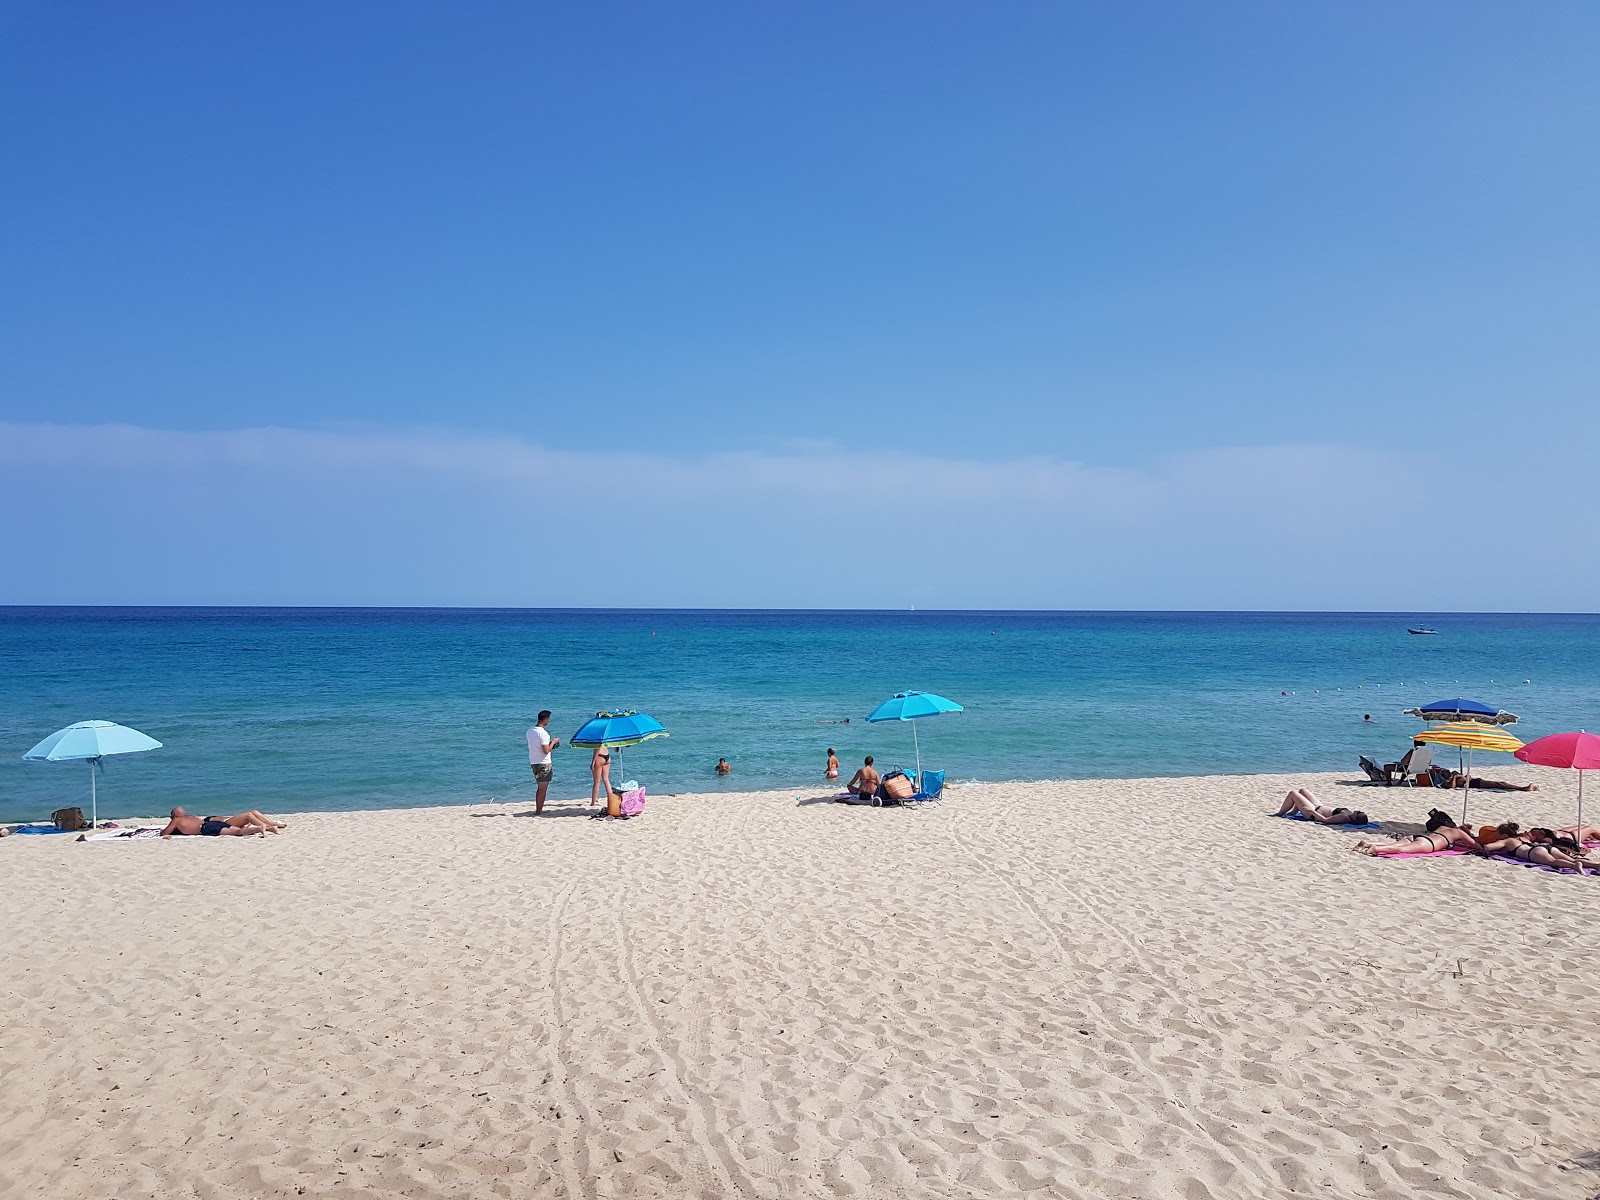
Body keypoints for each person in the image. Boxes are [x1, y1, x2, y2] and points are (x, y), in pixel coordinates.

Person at [1353, 811, 1478, 855]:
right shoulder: (1459, 834)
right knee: (1401, 850)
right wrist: (1468, 833)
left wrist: (1464, 829)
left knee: (1397, 844)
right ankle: (1375, 848)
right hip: (1428, 844)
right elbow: (1476, 845)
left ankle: (1368, 843)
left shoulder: (1442, 827)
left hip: (1420, 837)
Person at [1274, 788, 1370, 826]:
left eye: (1358, 812)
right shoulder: (1348, 814)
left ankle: (1280, 813)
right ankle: (1294, 811)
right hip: (1319, 806)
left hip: (1314, 812)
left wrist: (1312, 812)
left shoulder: (1344, 817)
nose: (1357, 810)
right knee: (1302, 790)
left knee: (1292, 793)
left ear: (1355, 818)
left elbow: (1325, 820)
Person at [527, 710, 560, 815]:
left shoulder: (530, 731)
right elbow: (546, 750)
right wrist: (554, 742)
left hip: (534, 761)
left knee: (540, 787)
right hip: (543, 762)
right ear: (546, 719)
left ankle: (538, 809)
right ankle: (539, 811)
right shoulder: (543, 733)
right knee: (543, 789)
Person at [159, 807, 260, 838]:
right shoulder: (190, 817)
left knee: (237, 833)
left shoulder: (177, 820)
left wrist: (162, 832)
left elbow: (165, 833)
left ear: (174, 815)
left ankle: (259, 828)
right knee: (240, 830)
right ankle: (268, 828)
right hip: (213, 823)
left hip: (206, 828)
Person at [1429, 766, 1537, 791]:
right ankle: (1522, 788)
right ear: (1443, 775)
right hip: (1474, 784)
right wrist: (1456, 777)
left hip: (1474, 780)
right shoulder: (1447, 781)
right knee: (1498, 784)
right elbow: (1452, 787)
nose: (1447, 771)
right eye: (1445, 772)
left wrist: (1465, 776)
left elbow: (1469, 777)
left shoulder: (1454, 775)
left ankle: (1522, 788)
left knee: (1499, 783)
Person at [204, 809, 286, 834]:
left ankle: (274, 824)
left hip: (229, 821)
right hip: (226, 823)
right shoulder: (207, 821)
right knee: (248, 815)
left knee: (254, 812)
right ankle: (268, 826)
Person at [589, 744, 612, 809]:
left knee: (597, 782)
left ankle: (593, 802)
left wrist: (593, 761)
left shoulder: (596, 736)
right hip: (607, 755)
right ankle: (611, 799)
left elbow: (597, 748)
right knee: (606, 779)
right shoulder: (604, 735)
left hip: (599, 757)